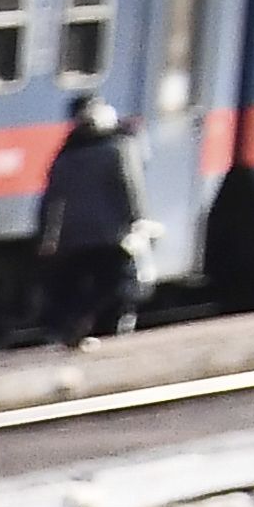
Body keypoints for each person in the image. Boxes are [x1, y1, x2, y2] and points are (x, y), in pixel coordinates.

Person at [41, 89, 146, 348]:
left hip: (74, 236)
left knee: (77, 288)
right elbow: (130, 187)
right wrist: (137, 221)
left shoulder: (65, 155)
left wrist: (46, 236)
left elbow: (51, 199)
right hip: (112, 235)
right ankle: (110, 331)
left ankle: (70, 331)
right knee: (120, 285)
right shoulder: (118, 149)